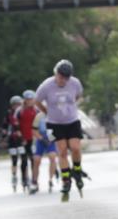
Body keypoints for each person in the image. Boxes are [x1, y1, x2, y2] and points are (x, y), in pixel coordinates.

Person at [34, 59, 86, 202]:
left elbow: (78, 95)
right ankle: (66, 180)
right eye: (61, 76)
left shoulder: (75, 83)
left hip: (72, 121)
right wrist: (46, 111)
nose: (63, 80)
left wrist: (71, 107)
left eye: (66, 77)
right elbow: (37, 101)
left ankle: (77, 170)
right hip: (53, 124)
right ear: (56, 74)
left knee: (75, 148)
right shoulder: (46, 86)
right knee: (61, 151)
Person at [18, 89, 40, 194]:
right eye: (28, 99)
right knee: (24, 160)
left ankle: (34, 180)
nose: (30, 101)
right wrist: (21, 138)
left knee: (33, 160)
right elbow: (16, 126)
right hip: (23, 139)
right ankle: (24, 179)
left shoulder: (36, 110)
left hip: (33, 139)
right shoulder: (20, 111)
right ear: (25, 100)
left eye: (31, 99)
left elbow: (41, 124)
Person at [33, 112, 60, 193]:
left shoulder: (54, 114)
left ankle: (50, 180)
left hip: (50, 137)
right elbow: (34, 130)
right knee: (36, 160)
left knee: (52, 157)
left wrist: (51, 139)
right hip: (41, 138)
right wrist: (41, 138)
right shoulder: (39, 116)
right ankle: (35, 181)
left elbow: (58, 129)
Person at [4, 95, 24, 191]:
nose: (16, 106)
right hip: (12, 139)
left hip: (21, 139)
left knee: (24, 159)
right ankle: (14, 175)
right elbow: (4, 126)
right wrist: (4, 135)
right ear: (12, 105)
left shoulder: (22, 113)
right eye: (14, 105)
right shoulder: (9, 114)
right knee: (14, 159)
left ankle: (25, 176)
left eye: (18, 104)